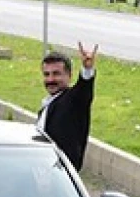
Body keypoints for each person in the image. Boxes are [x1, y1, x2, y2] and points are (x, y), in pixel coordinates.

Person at [38, 43, 98, 171]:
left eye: (56, 74)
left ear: (69, 76)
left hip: (62, 175)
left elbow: (83, 91)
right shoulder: (48, 104)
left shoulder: (73, 100)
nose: (50, 79)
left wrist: (87, 69)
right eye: (46, 74)